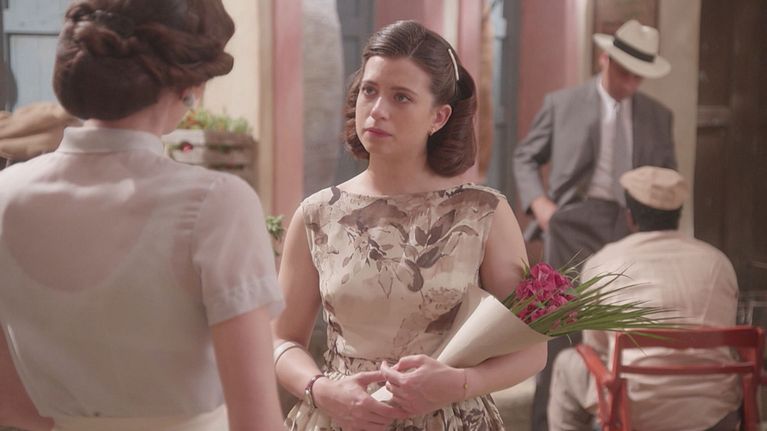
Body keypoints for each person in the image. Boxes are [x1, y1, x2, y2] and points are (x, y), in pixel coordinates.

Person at [0, 1, 285, 430]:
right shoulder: (216, 203)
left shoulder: (5, 195)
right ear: (189, 85)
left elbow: (10, 404)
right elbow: (256, 421)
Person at [271, 20, 547, 431]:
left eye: (401, 97)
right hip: (342, 418)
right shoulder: (317, 214)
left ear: (439, 116)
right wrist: (323, 390)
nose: (377, 110)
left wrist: (461, 383)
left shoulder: (482, 212)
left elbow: (531, 349)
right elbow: (281, 340)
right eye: (369, 91)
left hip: (451, 419)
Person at [512, 19, 677, 430]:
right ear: (604, 58)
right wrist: (541, 206)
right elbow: (525, 157)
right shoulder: (562, 103)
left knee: (626, 324)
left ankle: (615, 418)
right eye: (624, 72)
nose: (631, 83)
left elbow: (668, 179)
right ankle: (545, 422)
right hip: (572, 223)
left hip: (633, 227)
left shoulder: (659, 116)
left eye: (639, 76)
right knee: (561, 323)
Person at [548, 166, 740, 431]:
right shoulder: (718, 262)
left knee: (566, 363)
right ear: (678, 214)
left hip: (634, 409)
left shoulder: (604, 262)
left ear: (630, 217)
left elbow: (596, 346)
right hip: (713, 411)